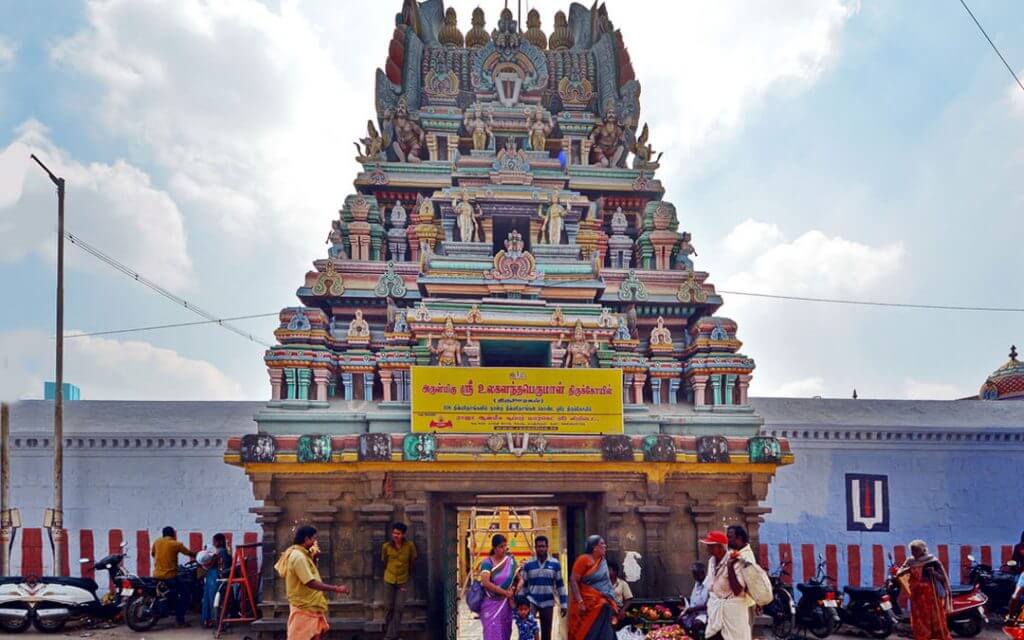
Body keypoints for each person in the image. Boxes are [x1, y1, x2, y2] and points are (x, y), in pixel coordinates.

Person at [274, 525, 350, 640]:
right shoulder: (298, 557)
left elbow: (308, 573)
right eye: (313, 538)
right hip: (303, 606)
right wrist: (336, 588)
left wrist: (313, 558)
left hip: (308, 604)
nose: (315, 541)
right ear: (306, 539)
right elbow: (310, 582)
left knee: (316, 635)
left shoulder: (301, 553)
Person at [897, 540, 952, 640]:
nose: (914, 553)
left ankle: (938, 635)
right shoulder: (910, 561)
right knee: (919, 617)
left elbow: (943, 578)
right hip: (916, 594)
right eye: (912, 551)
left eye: (916, 550)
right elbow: (900, 571)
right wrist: (905, 570)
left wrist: (934, 573)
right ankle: (922, 636)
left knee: (934, 616)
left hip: (931, 595)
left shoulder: (932, 561)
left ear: (923, 550)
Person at [702, 530, 751, 640]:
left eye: (710, 546)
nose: (707, 549)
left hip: (733, 613)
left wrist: (730, 567)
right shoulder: (711, 561)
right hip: (716, 611)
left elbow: (738, 591)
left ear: (720, 547)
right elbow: (711, 587)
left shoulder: (736, 560)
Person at [568, 535, 617, 640]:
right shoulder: (583, 559)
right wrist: (580, 601)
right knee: (587, 634)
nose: (605, 546)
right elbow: (573, 580)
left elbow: (606, 584)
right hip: (587, 605)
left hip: (603, 605)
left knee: (605, 634)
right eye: (602, 544)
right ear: (594, 547)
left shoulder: (602, 561)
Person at [519, 535, 567, 640]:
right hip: (532, 601)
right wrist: (521, 603)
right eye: (538, 546)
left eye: (543, 546)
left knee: (546, 632)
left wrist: (564, 604)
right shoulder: (528, 564)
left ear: (547, 547)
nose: (541, 549)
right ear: (535, 548)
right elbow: (523, 584)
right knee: (528, 630)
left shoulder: (555, 564)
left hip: (548, 602)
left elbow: (560, 585)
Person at [151, 526, 197, 627]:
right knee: (186, 595)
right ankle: (180, 620)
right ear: (173, 534)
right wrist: (197, 555)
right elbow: (189, 553)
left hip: (157, 575)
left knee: (173, 593)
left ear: (163, 534)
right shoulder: (176, 544)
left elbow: (153, 554)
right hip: (170, 576)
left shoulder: (157, 542)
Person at [382, 522, 417, 640]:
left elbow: (412, 561)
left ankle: (391, 636)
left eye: (398, 533)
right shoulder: (386, 546)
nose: (395, 535)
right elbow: (384, 562)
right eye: (394, 533)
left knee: (399, 607)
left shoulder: (409, 546)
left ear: (403, 534)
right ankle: (389, 633)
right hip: (389, 579)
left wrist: (407, 575)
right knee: (388, 607)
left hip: (403, 580)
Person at [480, 533, 518, 640]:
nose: (504, 549)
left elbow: (519, 578)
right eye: (501, 546)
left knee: (505, 632)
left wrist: (517, 587)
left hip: (505, 605)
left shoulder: (510, 561)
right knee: (492, 633)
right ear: (494, 548)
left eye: (505, 546)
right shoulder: (487, 563)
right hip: (491, 604)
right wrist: (505, 592)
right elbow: (485, 583)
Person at [679, 562, 708, 635]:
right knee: (680, 619)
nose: (694, 576)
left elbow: (709, 605)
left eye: (696, 574)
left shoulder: (709, 584)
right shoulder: (697, 583)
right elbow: (694, 600)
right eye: (693, 574)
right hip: (693, 613)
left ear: (702, 573)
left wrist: (693, 609)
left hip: (705, 614)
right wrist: (684, 600)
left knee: (696, 624)